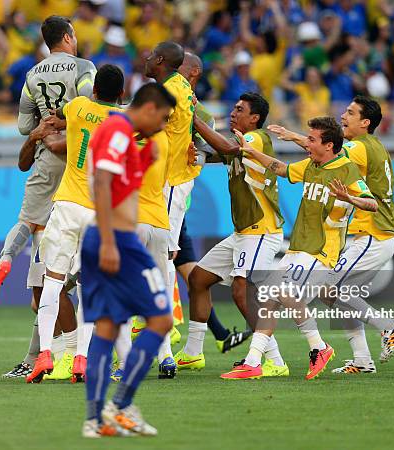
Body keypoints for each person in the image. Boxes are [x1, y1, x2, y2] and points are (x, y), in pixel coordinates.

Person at [0, 16, 95, 377]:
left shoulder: (32, 76)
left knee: (29, 224)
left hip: (46, 155)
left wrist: (46, 127)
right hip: (79, 159)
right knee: (58, 277)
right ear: (67, 36)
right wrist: (66, 120)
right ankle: (71, 354)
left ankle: (3, 260)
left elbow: (22, 126)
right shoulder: (83, 67)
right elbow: (90, 105)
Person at [224, 116, 377, 380]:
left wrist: (348, 197)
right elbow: (282, 169)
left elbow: (371, 204)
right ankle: (260, 360)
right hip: (299, 248)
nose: (306, 143)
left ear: (328, 145)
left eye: (311, 140)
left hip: (321, 251)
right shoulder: (312, 165)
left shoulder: (346, 169)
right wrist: (252, 152)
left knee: (277, 292)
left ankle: (315, 347)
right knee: (268, 300)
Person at [268, 96, 394, 373]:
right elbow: (324, 147)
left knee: (333, 289)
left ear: (365, 123)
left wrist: (293, 136)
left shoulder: (357, 147)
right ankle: (362, 359)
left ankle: (389, 326)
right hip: (372, 232)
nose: (344, 115)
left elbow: (326, 150)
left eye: (351, 113)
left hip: (376, 230)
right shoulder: (370, 146)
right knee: (335, 292)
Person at [81, 82, 176, 438]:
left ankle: (95, 419)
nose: (164, 125)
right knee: (161, 319)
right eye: (164, 118)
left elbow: (117, 181)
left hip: (107, 237)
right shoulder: (119, 129)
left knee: (107, 327)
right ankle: (120, 406)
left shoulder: (121, 135)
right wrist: (109, 241)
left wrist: (143, 160)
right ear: (149, 108)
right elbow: (103, 182)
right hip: (116, 239)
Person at [175, 92, 288, 377]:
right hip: (243, 233)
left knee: (241, 291)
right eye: (234, 108)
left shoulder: (257, 138)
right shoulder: (239, 143)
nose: (233, 112)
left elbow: (224, 145)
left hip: (261, 231)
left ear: (255, 118)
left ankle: (273, 360)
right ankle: (192, 353)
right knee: (199, 280)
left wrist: (193, 119)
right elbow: (215, 151)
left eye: (240, 109)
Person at [25, 64, 125, 383]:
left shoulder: (80, 106)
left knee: (52, 281)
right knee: (88, 286)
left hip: (68, 204)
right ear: (121, 95)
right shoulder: (124, 123)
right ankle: (82, 359)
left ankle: (45, 356)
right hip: (99, 211)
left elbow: (62, 110)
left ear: (94, 90)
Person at [144, 41, 196, 369]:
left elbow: (142, 125)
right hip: (166, 182)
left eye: (151, 55)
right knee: (157, 261)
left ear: (160, 60)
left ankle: (163, 348)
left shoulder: (169, 92)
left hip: (171, 184)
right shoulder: (180, 86)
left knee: (163, 261)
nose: (146, 58)